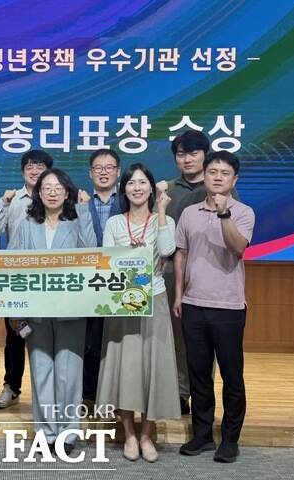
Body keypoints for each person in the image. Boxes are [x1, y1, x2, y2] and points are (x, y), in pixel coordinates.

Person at [9, 168, 96, 455]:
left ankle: (68, 433)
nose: (52, 192)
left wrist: (84, 212)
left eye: (58, 187)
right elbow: (12, 266)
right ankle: (46, 433)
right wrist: (14, 311)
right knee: (41, 371)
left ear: (67, 192)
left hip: (72, 309)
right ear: (38, 193)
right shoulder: (26, 224)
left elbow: (91, 254)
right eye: (46, 187)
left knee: (69, 374)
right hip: (35, 310)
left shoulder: (77, 220)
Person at [97, 163, 180, 463]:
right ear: (124, 189)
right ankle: (129, 434)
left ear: (151, 188)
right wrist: (127, 255)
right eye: (131, 183)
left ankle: (147, 435)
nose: (137, 188)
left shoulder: (164, 220)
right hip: (123, 302)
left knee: (152, 368)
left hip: (154, 298)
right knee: (127, 368)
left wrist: (161, 211)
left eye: (143, 182)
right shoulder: (114, 223)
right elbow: (106, 259)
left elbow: (168, 250)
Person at [175, 151, 255, 463]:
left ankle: (230, 439)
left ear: (234, 179)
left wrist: (224, 215)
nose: (218, 177)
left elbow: (238, 247)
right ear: (205, 175)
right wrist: (178, 295)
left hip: (229, 307)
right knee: (198, 375)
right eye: (213, 171)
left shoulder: (244, 212)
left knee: (232, 376)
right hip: (193, 304)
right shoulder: (189, 213)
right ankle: (202, 435)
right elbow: (181, 254)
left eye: (225, 173)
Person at [157, 130, 240, 414]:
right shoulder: (166, 189)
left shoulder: (221, 188)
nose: (187, 159)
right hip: (172, 270)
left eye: (193, 153)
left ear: (205, 155)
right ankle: (180, 392)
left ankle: (200, 394)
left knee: (207, 340)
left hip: (210, 271)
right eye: (181, 154)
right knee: (178, 336)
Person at [0, 149, 54, 409]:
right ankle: (11, 386)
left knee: (47, 335)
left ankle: (49, 390)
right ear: (22, 171)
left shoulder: (56, 197)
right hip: (16, 279)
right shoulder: (13, 199)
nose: (34, 170)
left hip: (47, 280)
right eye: (29, 166)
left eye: (40, 166)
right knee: (17, 334)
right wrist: (3, 204)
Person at [83, 149, 122, 412]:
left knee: (117, 341)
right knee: (90, 341)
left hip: (120, 283)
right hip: (89, 284)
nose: (104, 172)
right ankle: (89, 395)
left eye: (109, 167)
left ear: (118, 171)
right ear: (90, 173)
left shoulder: (129, 201)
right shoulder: (79, 204)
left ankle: (116, 396)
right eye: (98, 167)